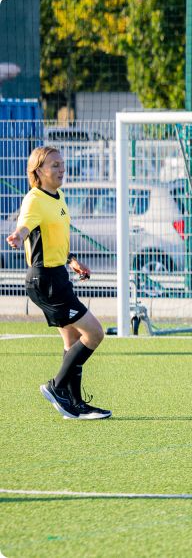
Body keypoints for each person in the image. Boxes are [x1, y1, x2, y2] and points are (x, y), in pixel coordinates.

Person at [5, 146, 110, 419]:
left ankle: (75, 406)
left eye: (62, 164)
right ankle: (56, 386)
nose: (61, 169)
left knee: (72, 339)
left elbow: (55, 238)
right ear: (38, 171)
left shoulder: (58, 196)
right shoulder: (34, 199)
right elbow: (26, 225)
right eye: (54, 165)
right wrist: (18, 235)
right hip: (46, 280)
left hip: (58, 275)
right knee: (95, 333)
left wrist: (71, 259)